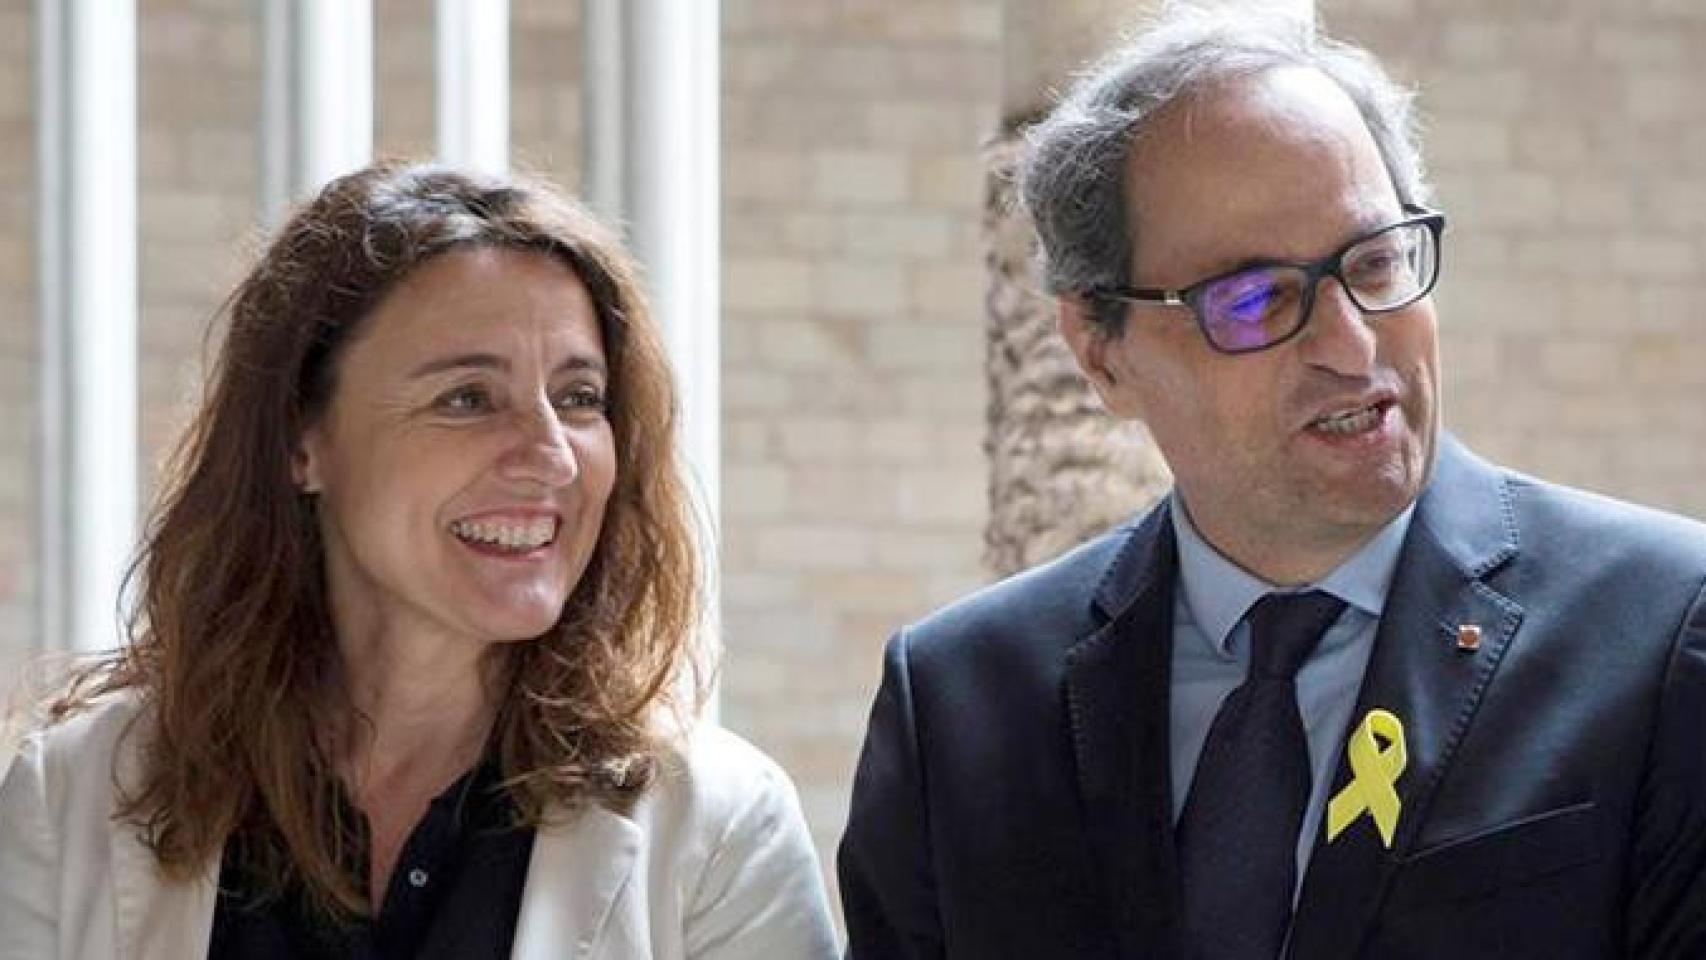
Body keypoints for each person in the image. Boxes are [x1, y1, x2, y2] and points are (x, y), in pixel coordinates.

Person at [838, 7, 1706, 959]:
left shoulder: (1662, 633)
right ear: (1100, 350)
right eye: (1254, 299)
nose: (1352, 345)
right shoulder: (959, 707)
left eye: (1376, 262)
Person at [0, 161, 837, 959]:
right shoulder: (66, 799)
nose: (552, 455)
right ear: (300, 440)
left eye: (580, 398)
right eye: (468, 398)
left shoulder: (721, 829)